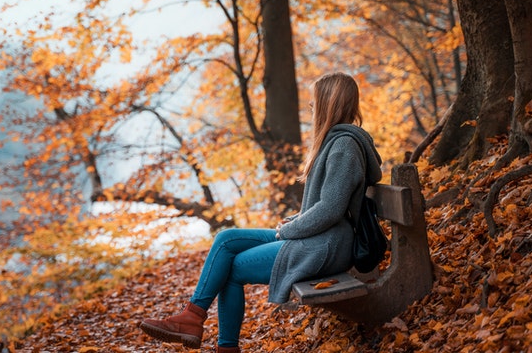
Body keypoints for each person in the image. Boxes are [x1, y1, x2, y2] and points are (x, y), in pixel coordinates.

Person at [138, 72, 383, 353]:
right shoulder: (337, 142)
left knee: (232, 269)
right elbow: (327, 205)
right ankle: (193, 316)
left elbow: (330, 209)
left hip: (327, 245)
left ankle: (216, 339)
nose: (311, 108)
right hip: (322, 237)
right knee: (227, 239)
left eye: (314, 102)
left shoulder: (343, 146)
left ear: (329, 103)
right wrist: (295, 221)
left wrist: (290, 230)